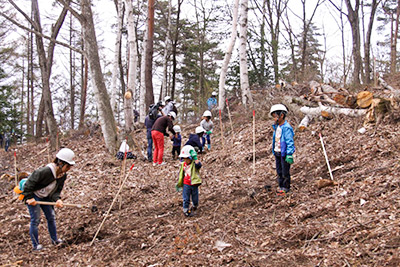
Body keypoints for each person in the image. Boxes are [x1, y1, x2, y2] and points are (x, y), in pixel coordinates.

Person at [19, 148, 75, 251]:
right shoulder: (45, 171)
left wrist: (57, 199)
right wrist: (29, 198)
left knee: (51, 217)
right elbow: (29, 184)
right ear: (61, 163)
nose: (68, 169)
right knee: (35, 220)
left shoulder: (63, 175)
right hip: (34, 195)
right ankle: (35, 245)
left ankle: (55, 240)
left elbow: (57, 190)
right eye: (68, 166)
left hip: (47, 197)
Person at [270, 104, 295, 196]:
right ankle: (281, 186)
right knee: (279, 171)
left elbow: (290, 142)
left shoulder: (286, 128)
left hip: (284, 153)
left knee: (285, 171)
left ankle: (286, 187)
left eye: (275, 116)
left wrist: (289, 153)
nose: (274, 119)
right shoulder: (276, 128)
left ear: (282, 115)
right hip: (277, 152)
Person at [176, 145, 202, 217]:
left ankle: (194, 205)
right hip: (186, 184)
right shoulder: (183, 164)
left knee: (195, 197)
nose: (185, 161)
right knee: (186, 198)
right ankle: (186, 210)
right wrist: (179, 183)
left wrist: (195, 158)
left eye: (187, 159)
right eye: (184, 159)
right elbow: (181, 174)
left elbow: (199, 165)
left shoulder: (194, 164)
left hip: (193, 183)